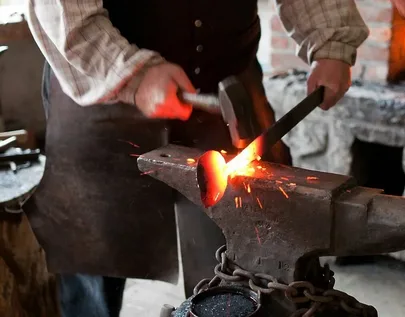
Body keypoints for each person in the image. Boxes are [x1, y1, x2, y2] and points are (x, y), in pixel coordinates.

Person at [24, 0, 369, 316]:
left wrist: (331, 41)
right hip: (102, 86)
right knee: (94, 267)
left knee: (250, 269)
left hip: (227, 89)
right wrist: (134, 74)